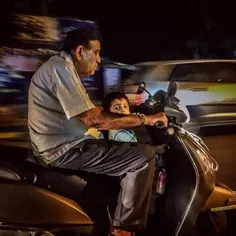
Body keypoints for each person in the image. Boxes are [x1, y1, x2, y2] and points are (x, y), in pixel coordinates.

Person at [28, 21, 168, 236]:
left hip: (65, 144)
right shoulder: (60, 68)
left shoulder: (63, 69)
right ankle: (123, 229)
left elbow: (87, 112)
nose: (99, 59)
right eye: (96, 52)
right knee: (143, 156)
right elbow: (95, 119)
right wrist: (145, 119)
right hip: (64, 150)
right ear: (79, 51)